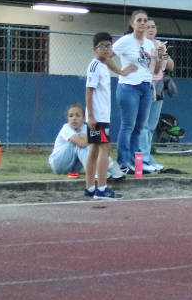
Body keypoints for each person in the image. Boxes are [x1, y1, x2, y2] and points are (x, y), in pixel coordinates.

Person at [84, 31, 134, 200]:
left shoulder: (104, 64)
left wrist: (122, 71)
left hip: (102, 115)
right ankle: (102, 188)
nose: (106, 49)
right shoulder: (94, 66)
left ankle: (90, 188)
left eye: (108, 46)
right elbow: (89, 92)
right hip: (98, 116)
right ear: (94, 49)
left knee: (94, 149)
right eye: (102, 46)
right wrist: (91, 116)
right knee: (103, 150)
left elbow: (111, 63)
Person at [112, 10, 157, 180]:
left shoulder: (150, 44)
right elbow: (107, 55)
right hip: (129, 86)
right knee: (128, 125)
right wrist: (120, 71)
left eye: (145, 20)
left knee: (139, 127)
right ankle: (123, 162)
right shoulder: (125, 41)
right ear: (132, 23)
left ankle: (134, 161)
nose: (143, 23)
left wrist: (160, 58)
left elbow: (159, 67)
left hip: (146, 86)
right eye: (139, 20)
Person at [137, 19, 173, 172]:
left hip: (158, 86)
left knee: (151, 125)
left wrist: (163, 54)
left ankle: (148, 157)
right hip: (145, 84)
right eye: (148, 27)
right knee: (143, 125)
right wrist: (155, 57)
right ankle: (143, 159)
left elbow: (164, 67)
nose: (150, 29)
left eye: (153, 27)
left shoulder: (160, 45)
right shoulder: (140, 45)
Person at [49, 105, 90, 177]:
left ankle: (104, 168)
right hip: (58, 164)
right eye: (71, 116)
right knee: (77, 144)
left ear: (84, 119)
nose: (74, 118)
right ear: (68, 119)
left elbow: (95, 143)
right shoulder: (66, 128)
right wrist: (86, 138)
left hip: (74, 168)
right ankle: (93, 170)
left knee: (94, 146)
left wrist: (86, 139)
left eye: (77, 116)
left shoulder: (86, 128)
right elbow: (81, 143)